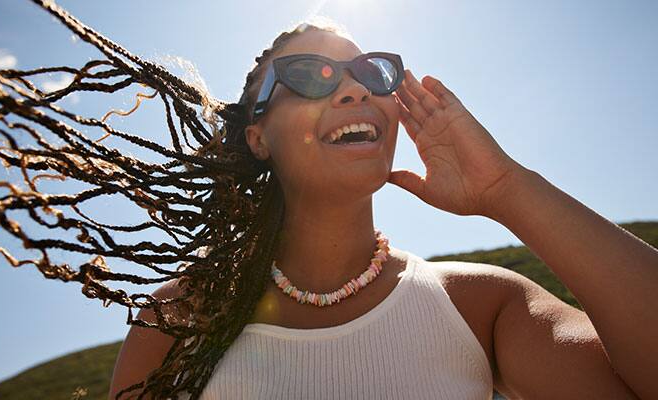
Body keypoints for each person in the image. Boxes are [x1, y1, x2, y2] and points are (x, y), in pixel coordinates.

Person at [108, 20, 657, 400]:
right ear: (258, 137)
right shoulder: (180, 318)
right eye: (309, 74)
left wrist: (507, 187)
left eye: (372, 73)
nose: (354, 90)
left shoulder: (479, 305)